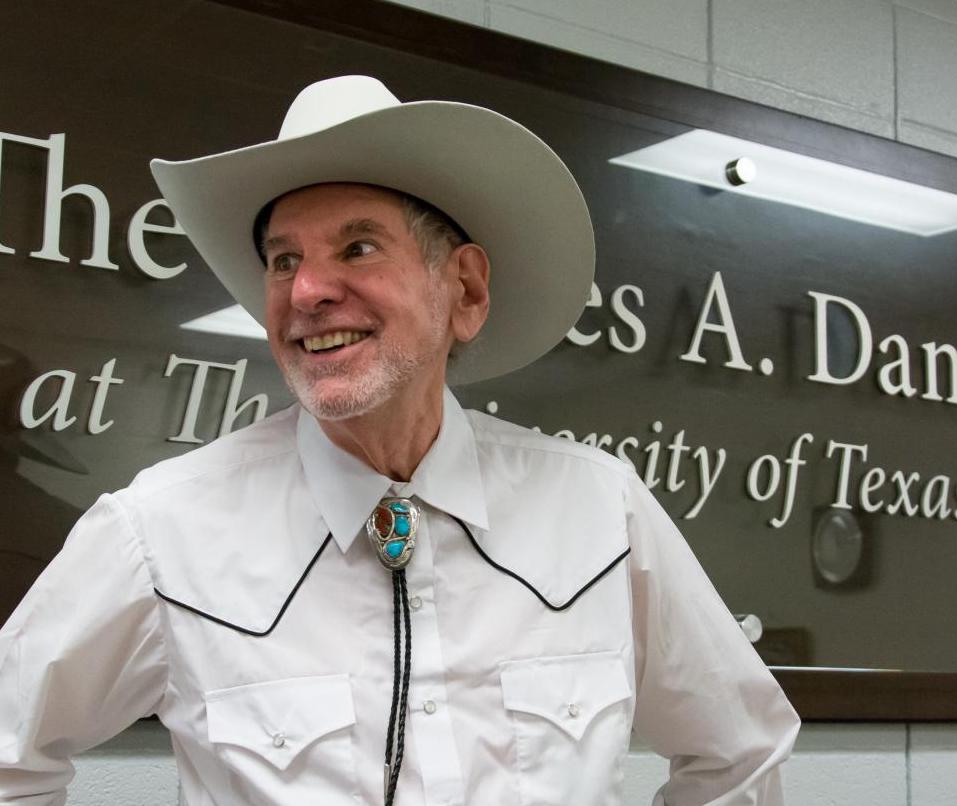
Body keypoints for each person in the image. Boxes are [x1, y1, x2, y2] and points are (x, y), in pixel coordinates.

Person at [0, 75, 800, 805]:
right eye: (284, 261)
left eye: (357, 248)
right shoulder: (161, 530)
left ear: (465, 289)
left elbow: (742, 754)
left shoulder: (600, 511)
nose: (307, 292)